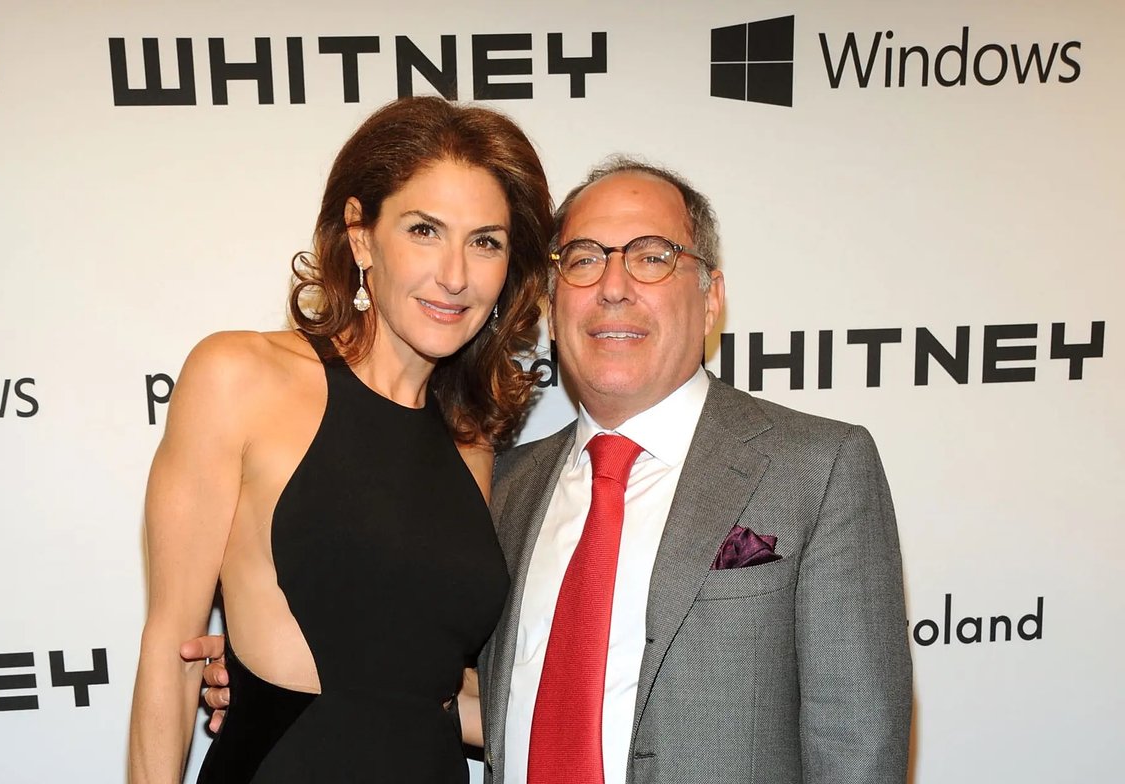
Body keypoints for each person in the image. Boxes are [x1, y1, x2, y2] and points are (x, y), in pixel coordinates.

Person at [190, 157, 913, 783]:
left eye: (653, 255)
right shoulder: (499, 485)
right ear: (551, 296)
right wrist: (274, 677)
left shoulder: (817, 467)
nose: (615, 286)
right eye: (585, 258)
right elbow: (486, 695)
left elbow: (860, 741)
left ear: (711, 294)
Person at [128, 96, 553, 784]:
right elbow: (170, 653)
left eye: (486, 241)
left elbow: (430, 692)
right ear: (361, 237)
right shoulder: (239, 376)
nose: (455, 274)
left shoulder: (472, 438)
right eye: (424, 230)